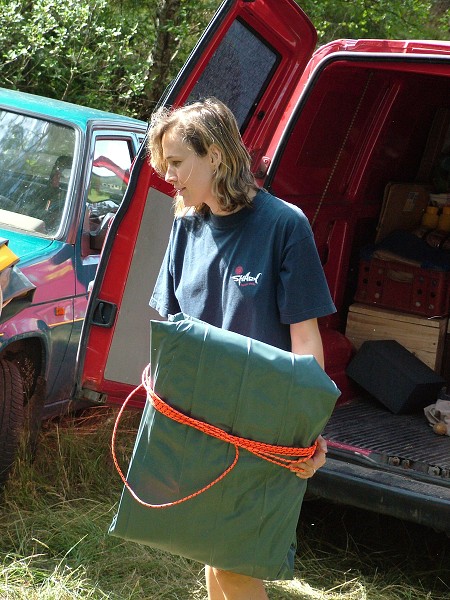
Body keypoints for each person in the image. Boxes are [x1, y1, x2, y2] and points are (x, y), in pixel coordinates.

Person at [147, 97, 336, 600]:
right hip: (198, 419)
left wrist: (308, 427)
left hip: (259, 420)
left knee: (233, 564)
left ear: (215, 155)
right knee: (210, 554)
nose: (170, 177)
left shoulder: (284, 225)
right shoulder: (186, 225)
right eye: (165, 166)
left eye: (178, 163)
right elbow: (172, 325)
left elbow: (304, 337)